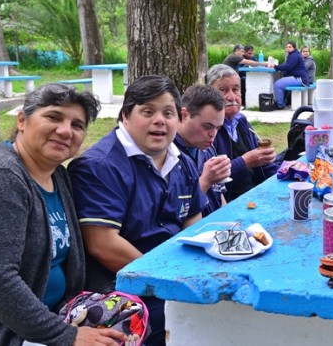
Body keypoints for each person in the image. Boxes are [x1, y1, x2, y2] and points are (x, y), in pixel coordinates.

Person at [0, 84, 126, 345]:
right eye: (53, 117)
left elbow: (71, 259)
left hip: (45, 321)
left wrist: (112, 295)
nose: (65, 131)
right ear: (22, 121)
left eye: (77, 125)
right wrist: (67, 336)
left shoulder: (56, 175)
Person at [69, 75, 208, 346]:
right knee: (197, 321)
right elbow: (102, 244)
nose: (160, 120)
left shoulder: (182, 163)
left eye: (168, 113)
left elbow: (193, 223)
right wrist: (168, 283)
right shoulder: (99, 166)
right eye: (148, 111)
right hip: (118, 289)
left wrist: (189, 275)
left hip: (170, 277)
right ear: (125, 116)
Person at [210, 63, 279, 202]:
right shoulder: (209, 129)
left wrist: (286, 173)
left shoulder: (241, 121)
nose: (231, 97)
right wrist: (245, 162)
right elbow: (213, 176)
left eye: (235, 89)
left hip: (255, 195)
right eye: (223, 90)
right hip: (228, 203)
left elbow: (263, 165)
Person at [176, 82, 232, 217]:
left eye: (218, 128)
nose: (213, 134)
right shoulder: (167, 155)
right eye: (207, 126)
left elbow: (220, 198)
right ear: (184, 115)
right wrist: (205, 181)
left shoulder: (206, 148)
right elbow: (172, 216)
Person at [272, 41, 311, 109]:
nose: (288, 48)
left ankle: (280, 105)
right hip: (299, 78)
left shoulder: (294, 55)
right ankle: (283, 102)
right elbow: (286, 65)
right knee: (281, 82)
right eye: (286, 47)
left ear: (294, 48)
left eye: (290, 47)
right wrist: (278, 67)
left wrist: (276, 67)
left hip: (300, 79)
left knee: (277, 84)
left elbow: (289, 66)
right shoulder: (293, 55)